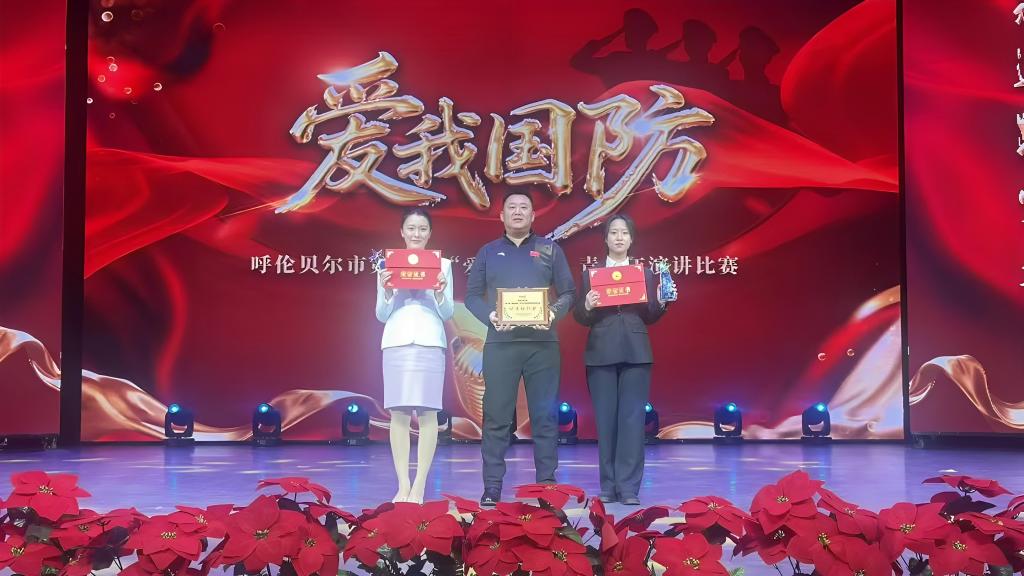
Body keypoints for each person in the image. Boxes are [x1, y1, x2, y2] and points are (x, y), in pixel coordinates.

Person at [465, 189, 575, 506]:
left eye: (523, 207)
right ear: (501, 215)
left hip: (542, 345)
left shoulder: (550, 249)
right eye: (511, 207)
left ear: (533, 215)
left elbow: (568, 292)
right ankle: (492, 486)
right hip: (501, 344)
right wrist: (491, 316)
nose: (517, 211)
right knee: (497, 417)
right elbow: (472, 296)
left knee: (545, 418)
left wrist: (553, 313)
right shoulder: (488, 252)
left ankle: (547, 488)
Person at [573, 214, 668, 505]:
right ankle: (608, 485)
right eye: (613, 232)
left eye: (624, 233)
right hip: (601, 352)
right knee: (606, 422)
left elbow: (649, 315)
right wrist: (586, 304)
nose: (618, 237)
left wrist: (662, 302)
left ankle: (628, 488)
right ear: (605, 238)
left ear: (631, 239)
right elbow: (580, 316)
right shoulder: (591, 274)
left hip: (636, 352)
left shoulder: (644, 273)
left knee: (632, 421)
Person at [375, 208, 454, 504]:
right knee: (398, 413)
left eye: (422, 228)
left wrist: (440, 293)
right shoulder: (387, 264)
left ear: (429, 233)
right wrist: (386, 291)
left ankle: (419, 485)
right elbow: (381, 314)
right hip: (396, 342)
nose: (416, 233)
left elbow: (448, 312)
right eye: (411, 228)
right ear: (402, 232)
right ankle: (403, 485)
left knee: (428, 413)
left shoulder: (443, 265)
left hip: (430, 342)